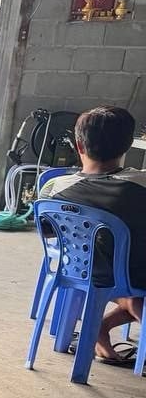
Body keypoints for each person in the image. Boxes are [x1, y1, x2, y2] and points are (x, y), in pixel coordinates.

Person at [39, 105, 146, 366]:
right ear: (128, 145)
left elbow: (47, 230)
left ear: (79, 145)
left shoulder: (53, 189)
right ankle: (108, 323)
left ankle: (98, 328)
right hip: (133, 276)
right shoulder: (140, 184)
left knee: (128, 286)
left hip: (77, 270)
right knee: (135, 289)